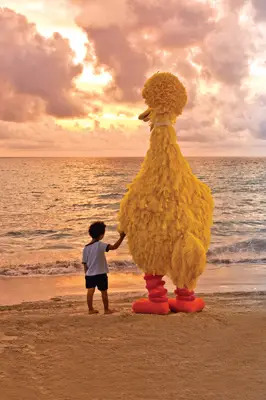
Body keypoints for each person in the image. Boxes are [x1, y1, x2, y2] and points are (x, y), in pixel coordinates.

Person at [82, 221, 126, 314]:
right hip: (101, 273)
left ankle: (90, 309)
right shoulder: (100, 245)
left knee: (90, 291)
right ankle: (106, 309)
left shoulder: (86, 248)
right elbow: (114, 247)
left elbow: (84, 263)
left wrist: (86, 273)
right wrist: (122, 237)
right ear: (101, 235)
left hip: (90, 274)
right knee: (104, 292)